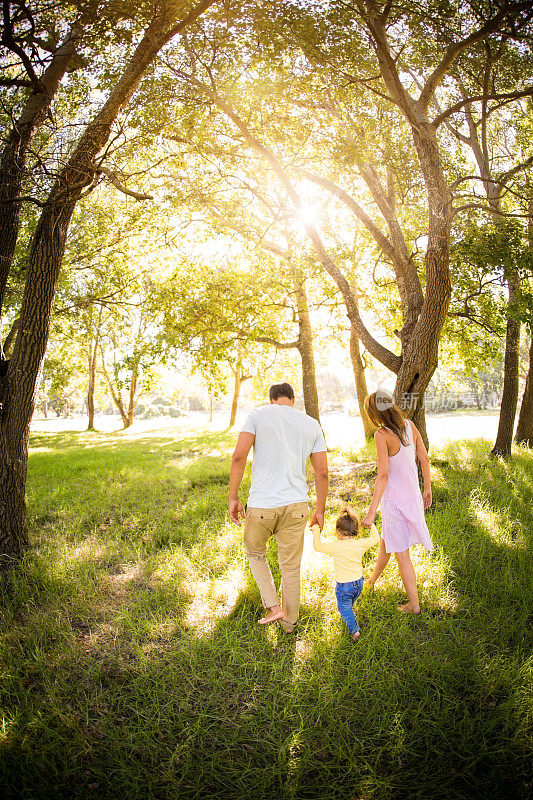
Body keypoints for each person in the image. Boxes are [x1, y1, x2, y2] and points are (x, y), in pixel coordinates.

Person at [228, 382, 328, 633]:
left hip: (262, 505)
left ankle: (273, 607)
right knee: (291, 567)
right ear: (293, 399)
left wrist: (233, 497)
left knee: (255, 553)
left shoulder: (257, 415)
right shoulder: (311, 423)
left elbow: (239, 457)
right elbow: (322, 473)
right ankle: (290, 624)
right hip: (297, 506)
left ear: (271, 399)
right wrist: (320, 510)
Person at [362, 389, 433, 614]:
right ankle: (371, 582)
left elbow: (383, 475)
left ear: (374, 413)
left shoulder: (381, 436)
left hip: (395, 502)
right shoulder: (410, 426)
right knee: (387, 542)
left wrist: (372, 512)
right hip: (412, 496)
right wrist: (427, 488)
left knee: (402, 553)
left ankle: (414, 604)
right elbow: (424, 457)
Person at [311, 506, 379, 641]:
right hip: (359, 583)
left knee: (343, 608)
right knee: (349, 604)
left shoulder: (336, 546)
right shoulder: (360, 544)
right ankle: (350, 614)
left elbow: (317, 547)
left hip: (344, 586)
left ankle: (354, 631)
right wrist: (371, 526)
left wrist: (316, 530)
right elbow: (376, 539)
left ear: (338, 532)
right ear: (356, 531)